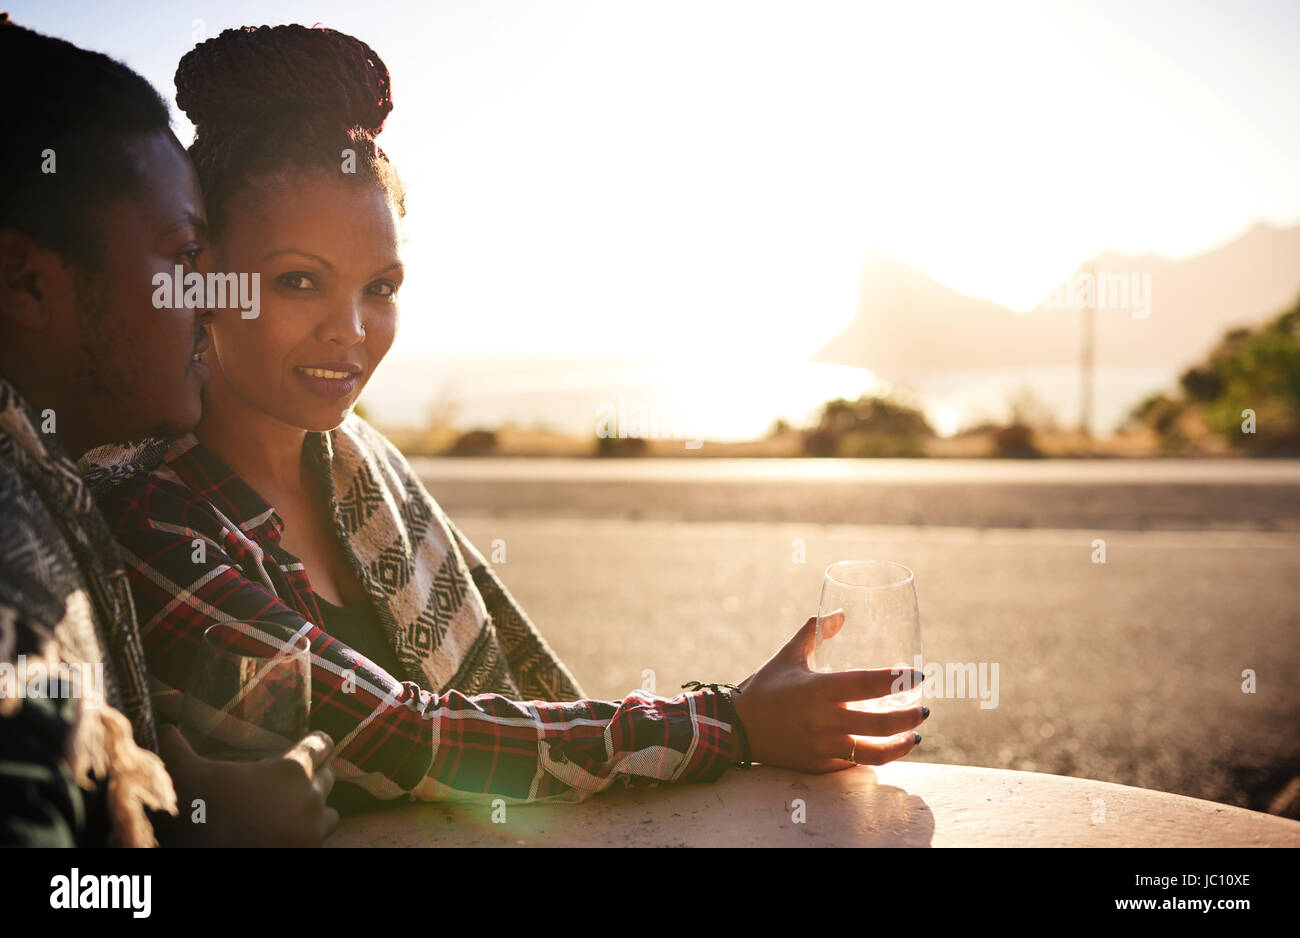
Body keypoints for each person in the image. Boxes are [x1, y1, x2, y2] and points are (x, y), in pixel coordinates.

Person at [92, 24, 928, 810]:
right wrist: (732, 722)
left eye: (379, 289)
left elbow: (517, 692)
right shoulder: (154, 518)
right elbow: (406, 735)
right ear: (203, 277)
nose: (349, 330)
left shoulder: (362, 461)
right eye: (299, 281)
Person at [0, 15, 337, 847]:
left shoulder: (47, 481)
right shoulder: (14, 595)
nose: (212, 300)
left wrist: (169, 797)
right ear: (26, 283)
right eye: (184, 260)